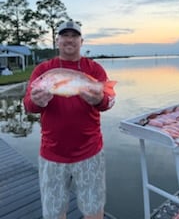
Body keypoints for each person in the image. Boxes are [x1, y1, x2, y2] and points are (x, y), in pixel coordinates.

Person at [24, 20, 116, 219]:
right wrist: (37, 101)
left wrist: (100, 99)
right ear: (57, 41)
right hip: (52, 153)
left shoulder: (95, 69)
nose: (69, 39)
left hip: (90, 151)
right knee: (54, 213)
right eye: (65, 35)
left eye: (74, 35)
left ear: (81, 41)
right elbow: (28, 106)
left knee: (93, 210)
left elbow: (109, 102)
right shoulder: (43, 70)